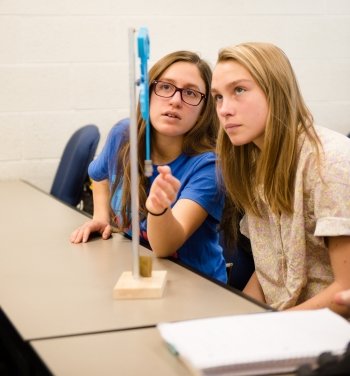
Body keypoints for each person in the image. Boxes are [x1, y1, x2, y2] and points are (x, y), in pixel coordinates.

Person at [211, 42, 350, 315]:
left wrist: (270, 327)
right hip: (285, 324)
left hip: (331, 334)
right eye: (218, 97)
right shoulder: (252, 161)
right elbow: (268, 275)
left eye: (239, 90)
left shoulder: (330, 163)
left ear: (275, 92)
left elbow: (345, 291)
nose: (224, 109)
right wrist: (236, 320)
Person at [70, 50, 227, 283]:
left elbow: (164, 247)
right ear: (148, 95)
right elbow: (98, 175)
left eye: (191, 93)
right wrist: (101, 216)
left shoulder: (208, 167)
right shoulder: (124, 136)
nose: (175, 100)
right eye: (165, 87)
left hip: (196, 286)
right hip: (140, 272)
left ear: (204, 110)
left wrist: (159, 208)